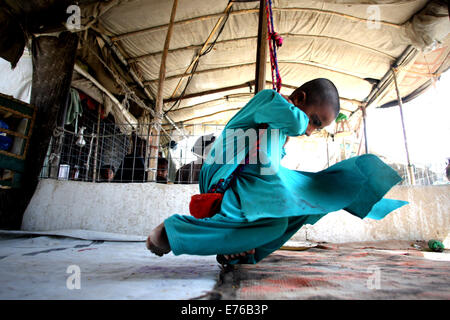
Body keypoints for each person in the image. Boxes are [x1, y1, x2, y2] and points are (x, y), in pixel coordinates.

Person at [146, 78, 407, 265]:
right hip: (226, 177)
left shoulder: (279, 135)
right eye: (315, 121)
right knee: (307, 190)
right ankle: (171, 232)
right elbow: (294, 122)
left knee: (294, 214)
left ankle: (237, 252)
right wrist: (297, 124)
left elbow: (273, 155)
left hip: (245, 186)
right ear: (300, 99)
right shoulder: (268, 99)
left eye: (317, 127)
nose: (309, 131)